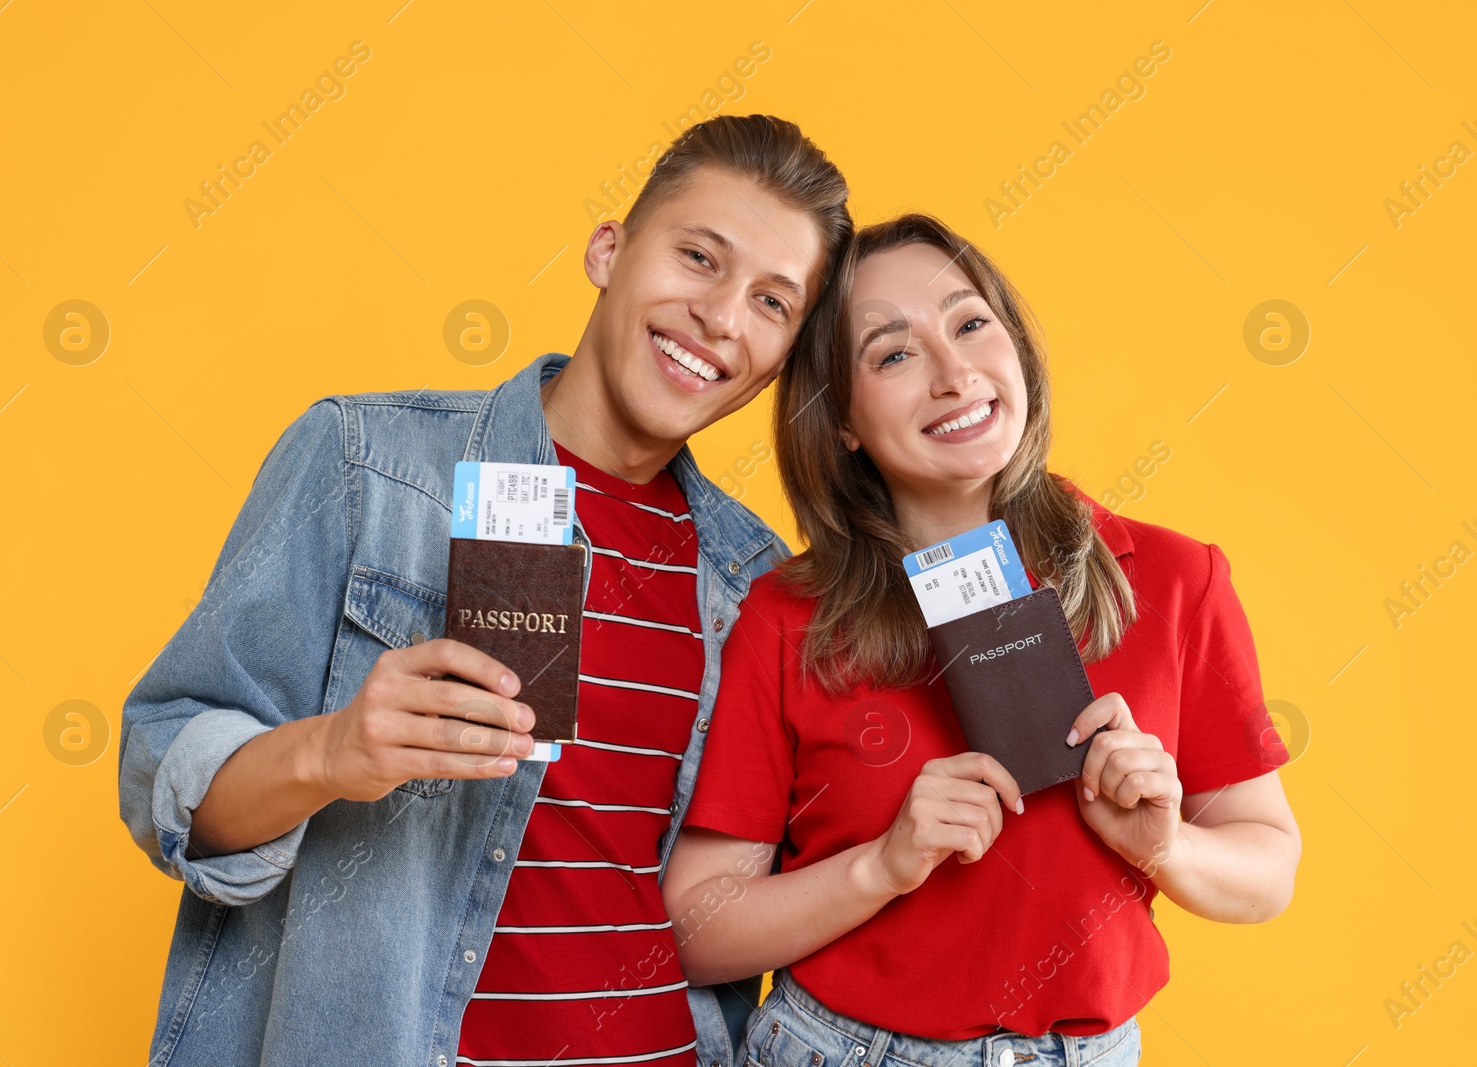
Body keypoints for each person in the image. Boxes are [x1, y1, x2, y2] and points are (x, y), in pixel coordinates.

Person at [116, 114, 852, 1067]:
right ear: (607, 250)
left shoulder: (753, 581)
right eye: (700, 258)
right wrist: (333, 751)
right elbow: (161, 766)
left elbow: (752, 895)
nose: (721, 317)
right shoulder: (364, 466)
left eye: (771, 303)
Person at [661, 213, 1302, 1067]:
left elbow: (1270, 870)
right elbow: (696, 926)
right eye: (894, 353)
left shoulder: (1179, 581)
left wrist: (1167, 845)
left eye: (970, 324)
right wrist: (882, 865)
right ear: (843, 420)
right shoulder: (788, 618)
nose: (955, 374)